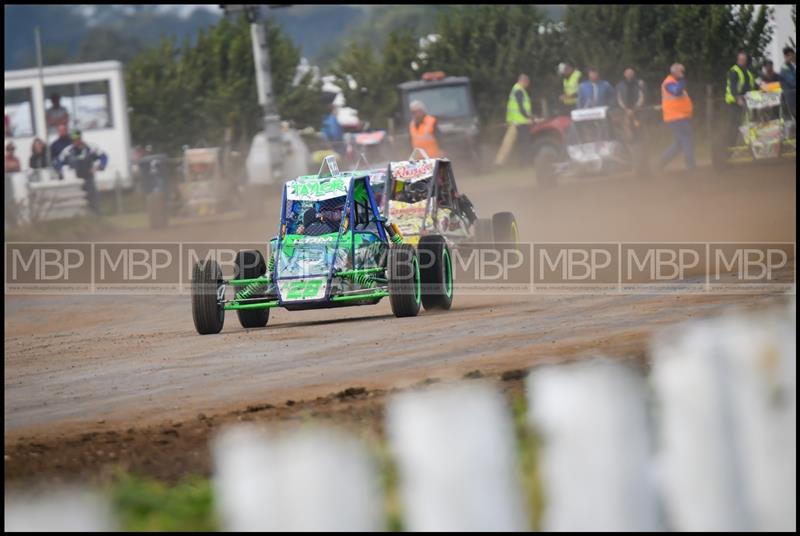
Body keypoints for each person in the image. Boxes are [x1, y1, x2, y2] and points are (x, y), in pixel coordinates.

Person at [54, 129, 108, 214]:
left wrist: (99, 167)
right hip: (74, 179)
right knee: (76, 198)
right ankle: (79, 216)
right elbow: (58, 162)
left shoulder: (91, 147)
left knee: (92, 197)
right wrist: (61, 172)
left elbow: (104, 157)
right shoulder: (67, 150)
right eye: (73, 140)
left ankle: (96, 216)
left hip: (88, 177)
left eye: (77, 139)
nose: (75, 141)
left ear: (80, 138)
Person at [658, 63, 695, 170]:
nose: (683, 73)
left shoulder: (674, 82)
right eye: (681, 71)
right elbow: (677, 92)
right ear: (674, 72)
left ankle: (661, 162)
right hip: (676, 117)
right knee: (688, 139)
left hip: (679, 117)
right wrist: (682, 79)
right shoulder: (669, 83)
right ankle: (690, 166)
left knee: (679, 144)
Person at [495, 74, 533, 166]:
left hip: (516, 121)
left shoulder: (517, 89)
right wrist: (529, 117)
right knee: (524, 143)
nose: (527, 85)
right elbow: (521, 107)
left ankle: (499, 162)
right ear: (524, 81)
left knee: (509, 143)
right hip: (520, 122)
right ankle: (524, 162)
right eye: (527, 83)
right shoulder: (519, 91)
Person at [725, 52, 757, 147]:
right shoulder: (734, 71)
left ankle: (748, 146)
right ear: (738, 60)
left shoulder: (747, 72)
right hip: (734, 103)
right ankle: (730, 148)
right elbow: (733, 87)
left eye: (744, 59)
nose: (743, 61)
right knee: (734, 126)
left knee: (747, 125)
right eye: (741, 59)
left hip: (747, 102)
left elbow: (753, 85)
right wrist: (738, 99)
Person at [616, 67, 647, 143]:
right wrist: (626, 109)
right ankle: (629, 144)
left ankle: (641, 143)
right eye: (627, 73)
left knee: (639, 128)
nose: (629, 74)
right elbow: (618, 98)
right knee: (627, 130)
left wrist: (634, 109)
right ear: (624, 74)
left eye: (631, 73)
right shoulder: (620, 85)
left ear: (633, 74)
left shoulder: (640, 84)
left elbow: (643, 96)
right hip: (625, 112)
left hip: (638, 111)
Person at [780, 47, 796, 118]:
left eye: (793, 55)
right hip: (790, 97)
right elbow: (793, 82)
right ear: (785, 56)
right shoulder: (784, 68)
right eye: (790, 55)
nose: (792, 57)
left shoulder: (791, 67)